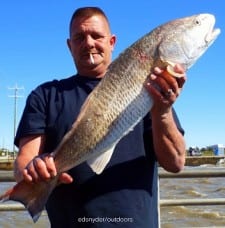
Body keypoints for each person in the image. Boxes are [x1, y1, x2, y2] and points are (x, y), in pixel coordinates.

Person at [14, 6, 186, 228]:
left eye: (96, 36)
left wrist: (162, 111)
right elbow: (23, 164)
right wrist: (33, 171)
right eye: (79, 37)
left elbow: (175, 163)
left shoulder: (150, 89)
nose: (89, 43)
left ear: (112, 42)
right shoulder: (44, 96)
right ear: (69, 46)